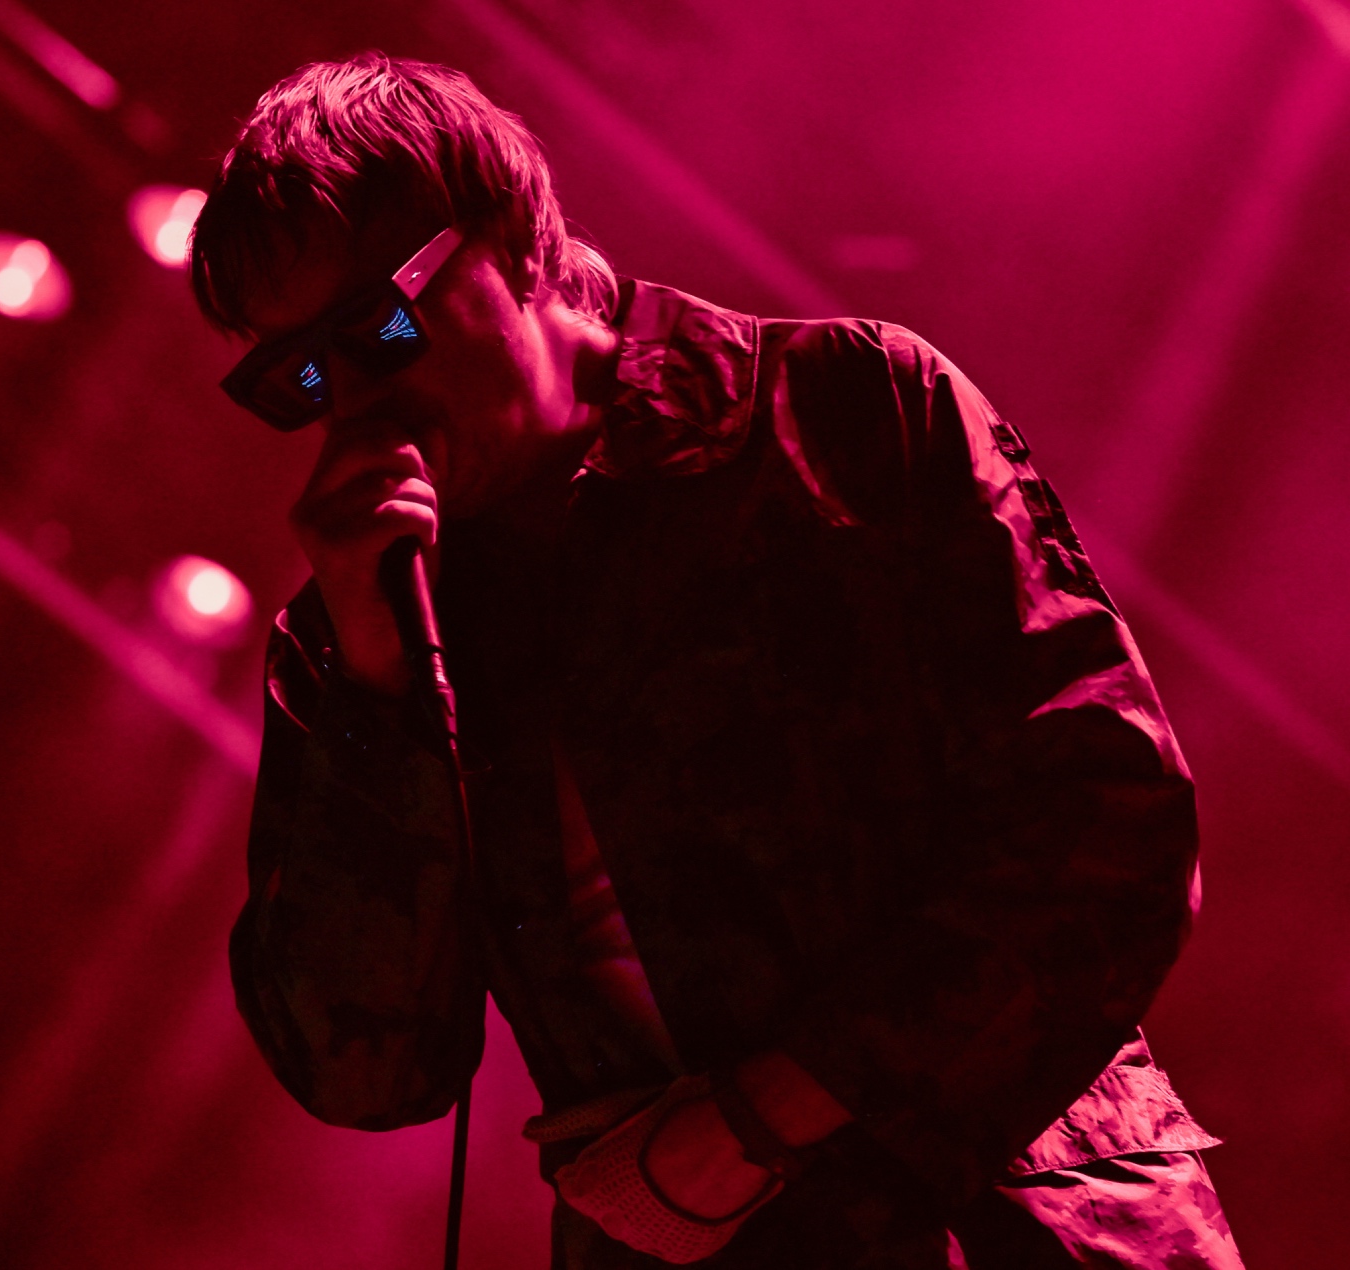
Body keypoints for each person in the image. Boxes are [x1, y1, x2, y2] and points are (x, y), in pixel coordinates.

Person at [188, 52, 1243, 1269]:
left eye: (382, 322)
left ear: (519, 239)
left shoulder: (838, 410)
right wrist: (376, 695)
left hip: (1028, 1224)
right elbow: (361, 1072)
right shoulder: (357, 626)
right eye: (300, 376)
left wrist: (763, 1116)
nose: (357, 397)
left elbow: (1111, 835)